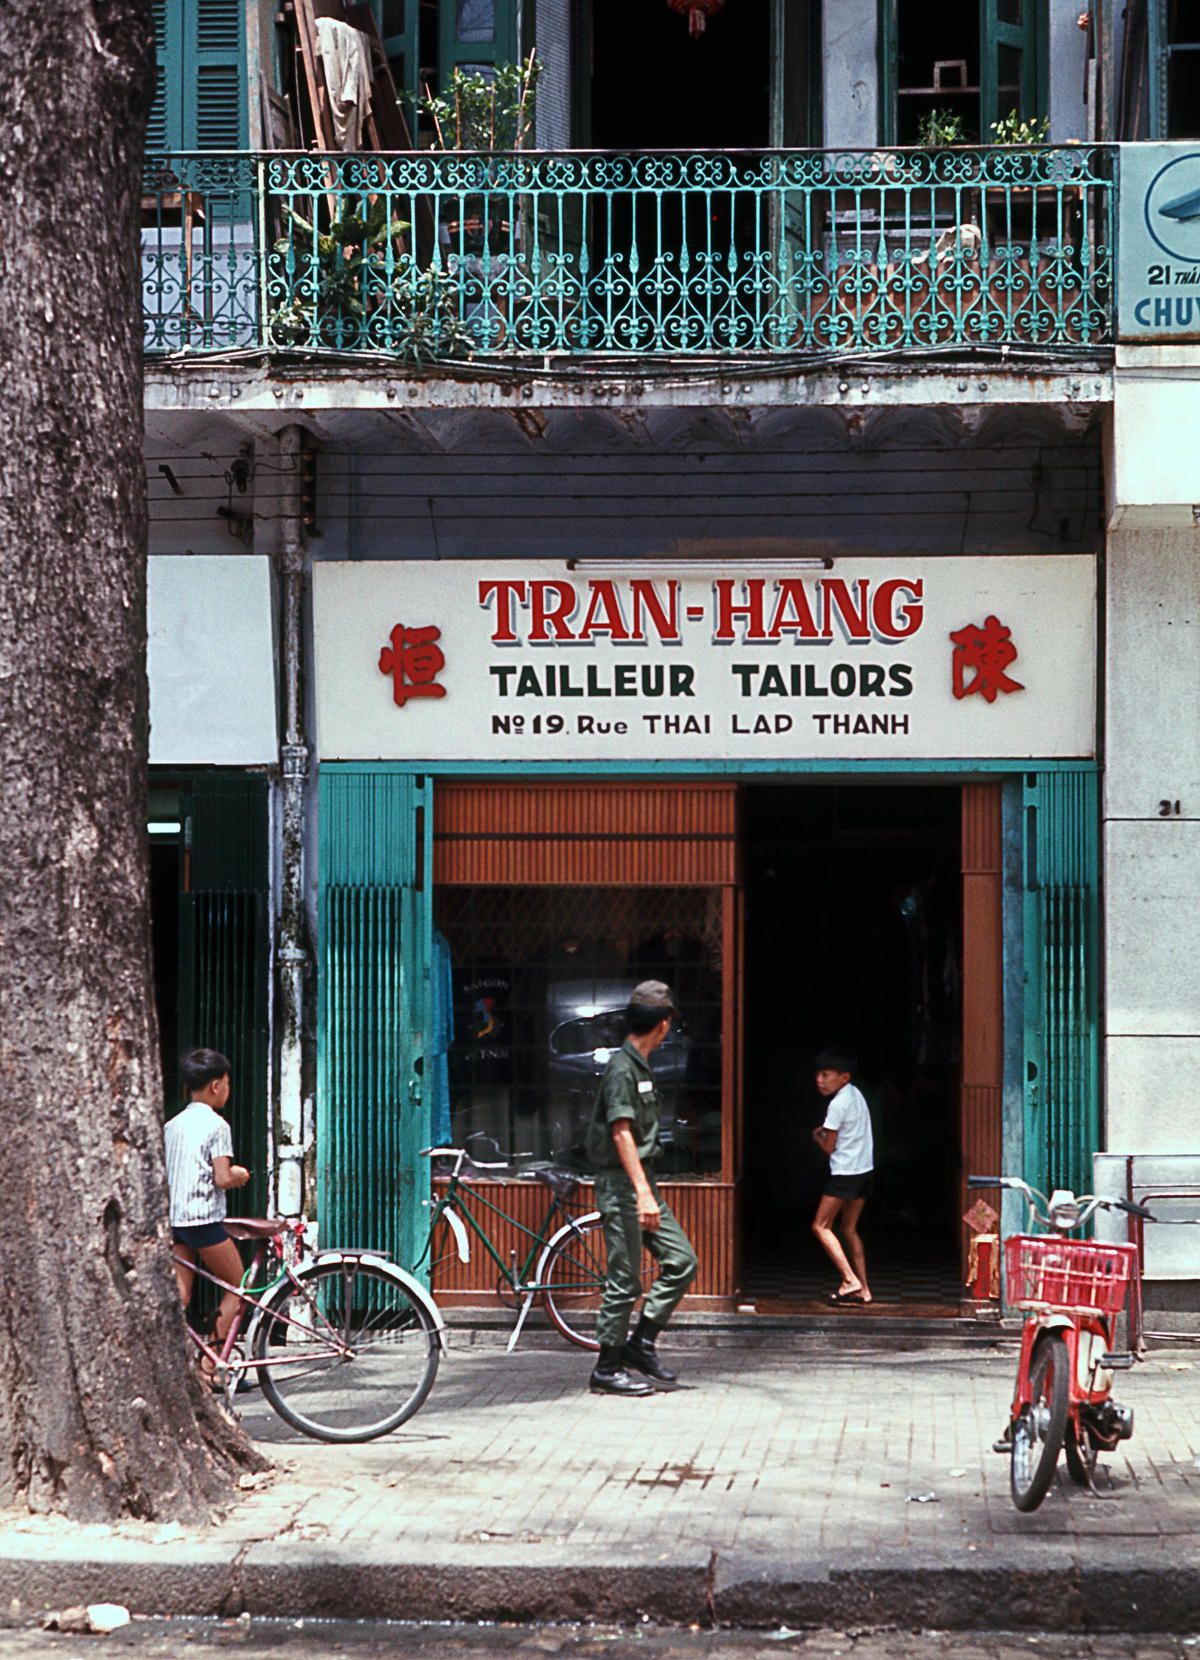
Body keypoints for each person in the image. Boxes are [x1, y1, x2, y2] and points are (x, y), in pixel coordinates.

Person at [584, 981, 699, 1395]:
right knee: (625, 1279)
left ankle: (641, 1343)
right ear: (664, 1024)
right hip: (623, 1184)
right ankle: (606, 1367)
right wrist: (643, 1193)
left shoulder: (640, 1064)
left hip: (640, 1180)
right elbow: (621, 1134)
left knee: (682, 1260)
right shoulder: (622, 1068)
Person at [164, 1047, 251, 1354]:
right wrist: (239, 1175)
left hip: (175, 1222)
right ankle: (210, 1365)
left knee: (180, 1295)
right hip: (202, 1220)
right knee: (238, 1286)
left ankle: (174, 1358)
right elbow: (223, 1178)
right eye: (227, 1083)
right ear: (216, 1085)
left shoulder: (171, 1126)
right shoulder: (217, 1126)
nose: (228, 1090)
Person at [811, 1046, 874, 1306]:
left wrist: (816, 1135)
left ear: (843, 1077)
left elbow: (829, 1146)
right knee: (849, 1228)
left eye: (826, 1075)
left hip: (845, 1173)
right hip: (864, 1170)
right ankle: (865, 1290)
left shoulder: (837, 1104)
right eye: (818, 1074)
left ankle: (849, 1280)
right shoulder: (856, 1095)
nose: (819, 1080)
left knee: (820, 1226)